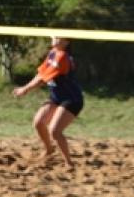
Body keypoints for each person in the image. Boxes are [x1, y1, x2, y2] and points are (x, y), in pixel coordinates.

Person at [12, 36, 83, 170]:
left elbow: (43, 79)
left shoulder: (63, 56)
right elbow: (41, 73)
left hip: (72, 99)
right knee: (38, 122)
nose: (54, 38)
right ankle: (49, 149)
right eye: (54, 36)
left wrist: (25, 89)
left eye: (58, 37)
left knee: (55, 131)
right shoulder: (53, 53)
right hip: (57, 97)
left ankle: (68, 163)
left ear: (66, 42)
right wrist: (25, 87)